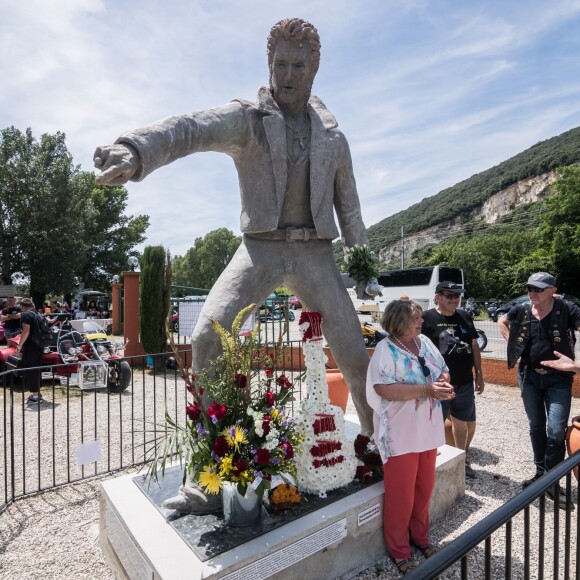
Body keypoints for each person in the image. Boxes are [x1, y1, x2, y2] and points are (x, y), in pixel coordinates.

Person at [93, 18, 379, 438]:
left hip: (315, 254)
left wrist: (365, 270)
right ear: (269, 63)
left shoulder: (334, 140)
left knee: (355, 356)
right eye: (280, 64)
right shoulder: (246, 121)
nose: (287, 76)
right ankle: (215, 449)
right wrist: (134, 150)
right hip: (258, 250)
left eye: (298, 67)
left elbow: (350, 210)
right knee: (208, 337)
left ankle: (379, 447)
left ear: (314, 69)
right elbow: (189, 128)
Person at [366, 300, 454, 574]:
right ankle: (399, 550)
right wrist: (426, 391)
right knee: (400, 495)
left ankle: (421, 538)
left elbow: (442, 367)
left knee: (423, 489)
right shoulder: (385, 349)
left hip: (426, 430)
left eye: (419, 317)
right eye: (415, 318)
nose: (421, 321)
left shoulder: (424, 341)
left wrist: (442, 382)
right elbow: (383, 388)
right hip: (400, 434)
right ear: (398, 321)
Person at [498, 272, 580, 507]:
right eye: (530, 288)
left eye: (538, 289)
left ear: (552, 290)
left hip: (559, 380)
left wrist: (575, 366)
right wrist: (510, 341)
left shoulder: (567, 309)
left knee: (555, 431)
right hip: (529, 376)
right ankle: (541, 475)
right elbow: (502, 320)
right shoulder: (522, 310)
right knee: (536, 426)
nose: (532, 293)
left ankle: (550, 481)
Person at [421, 281, 484, 479]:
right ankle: (428, 463)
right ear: (437, 297)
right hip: (438, 384)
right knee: (433, 423)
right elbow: (418, 348)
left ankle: (462, 460)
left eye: (457, 296)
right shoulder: (426, 318)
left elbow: (474, 345)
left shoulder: (465, 316)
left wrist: (479, 373)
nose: (455, 299)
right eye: (449, 295)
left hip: (464, 381)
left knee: (462, 422)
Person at [14, 298, 44, 405]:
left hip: (30, 347)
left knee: (31, 370)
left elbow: (26, 331)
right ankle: (37, 393)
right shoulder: (38, 314)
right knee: (36, 369)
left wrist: (19, 346)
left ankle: (35, 396)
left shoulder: (25, 315)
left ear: (22, 307)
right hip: (39, 346)